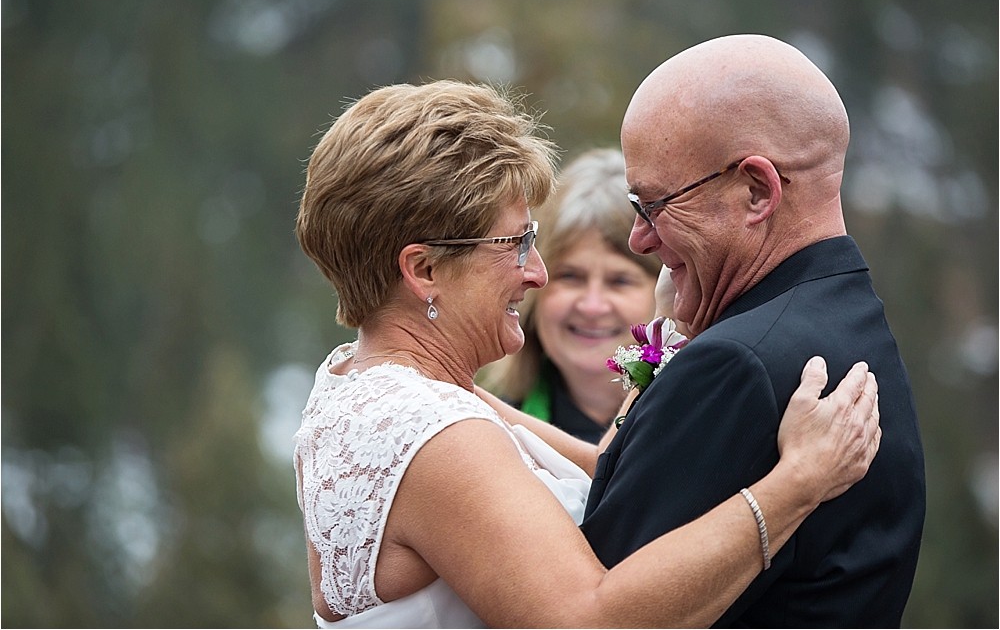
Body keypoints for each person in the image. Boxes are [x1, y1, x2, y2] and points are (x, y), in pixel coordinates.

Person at [293, 80, 881, 628]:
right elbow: (589, 619)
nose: (537, 274)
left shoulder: (373, 384)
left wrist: (667, 334)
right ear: (424, 270)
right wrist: (797, 484)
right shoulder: (432, 432)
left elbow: (599, 471)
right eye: (516, 244)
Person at [581, 35, 925, 627]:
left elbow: (591, 602)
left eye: (654, 205)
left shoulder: (738, 366)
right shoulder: (850, 319)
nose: (640, 238)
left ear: (756, 191)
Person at [482, 149, 661, 443]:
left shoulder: (703, 424)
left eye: (620, 281)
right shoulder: (489, 433)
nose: (592, 306)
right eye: (570, 276)